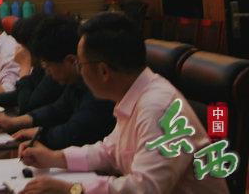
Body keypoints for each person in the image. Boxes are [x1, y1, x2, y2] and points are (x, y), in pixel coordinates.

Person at [19, 12, 228, 194]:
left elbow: (144, 189)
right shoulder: (134, 94)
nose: (80, 72)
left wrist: (72, 190)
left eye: (81, 65)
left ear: (103, 71)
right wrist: (55, 158)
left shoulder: (157, 108)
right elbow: (110, 152)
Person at [0, 15, 115, 150]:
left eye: (47, 66)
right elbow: (57, 109)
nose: (47, 73)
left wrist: (41, 135)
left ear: (71, 61)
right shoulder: (75, 80)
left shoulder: (98, 86)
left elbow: (75, 132)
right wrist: (15, 122)